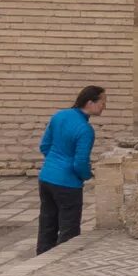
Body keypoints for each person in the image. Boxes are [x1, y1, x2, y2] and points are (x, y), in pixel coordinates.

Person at [36, 84, 104, 254]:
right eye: (102, 102)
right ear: (90, 103)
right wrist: (87, 175)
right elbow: (80, 163)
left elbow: (45, 146)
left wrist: (54, 163)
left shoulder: (59, 115)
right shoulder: (85, 130)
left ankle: (42, 259)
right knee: (69, 229)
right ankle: (63, 261)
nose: (104, 106)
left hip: (46, 178)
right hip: (68, 184)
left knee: (47, 223)